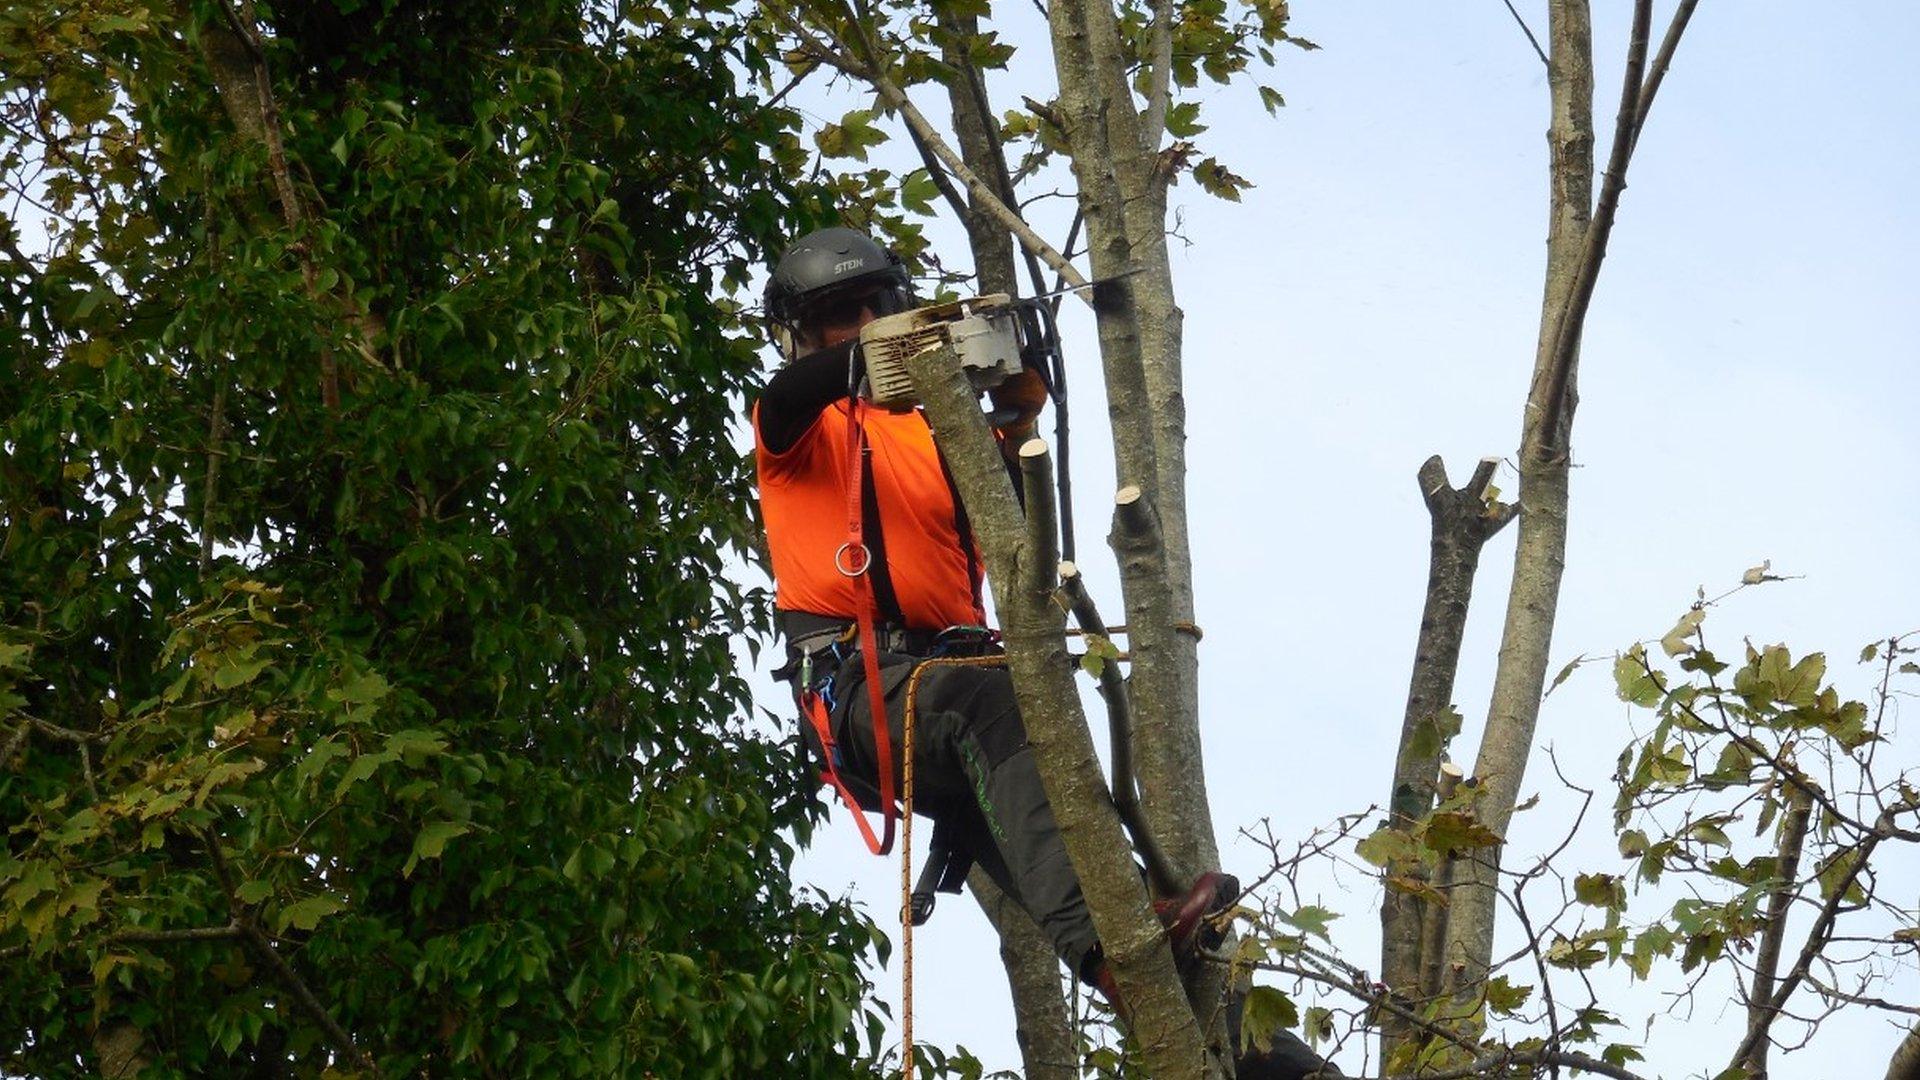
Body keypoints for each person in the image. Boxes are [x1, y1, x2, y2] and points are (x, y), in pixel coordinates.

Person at [753, 226, 1337, 1078]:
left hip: (965, 680)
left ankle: (1261, 1053)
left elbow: (1013, 525)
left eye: (877, 307)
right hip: (869, 685)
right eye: (841, 317)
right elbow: (790, 393)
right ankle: (1121, 938)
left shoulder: (936, 435)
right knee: (994, 710)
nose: (866, 325)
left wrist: (1014, 406)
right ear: (803, 332)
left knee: (1086, 846)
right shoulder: (796, 429)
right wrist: (893, 350)